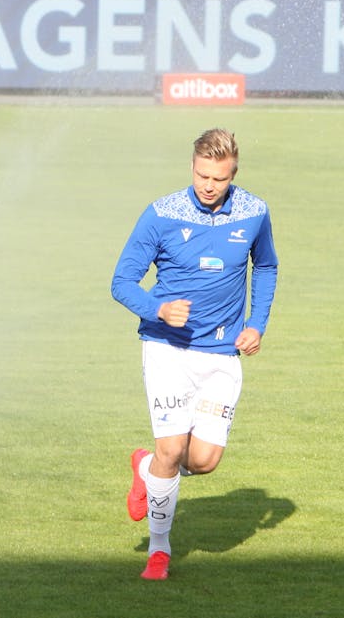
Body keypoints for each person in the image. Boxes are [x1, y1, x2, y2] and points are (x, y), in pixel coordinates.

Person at [111, 128, 279, 579]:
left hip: (221, 355)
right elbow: (121, 281)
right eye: (203, 175)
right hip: (167, 349)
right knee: (172, 447)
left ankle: (146, 467)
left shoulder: (254, 212)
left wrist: (256, 324)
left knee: (202, 460)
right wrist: (157, 308)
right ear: (192, 167)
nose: (209, 186)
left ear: (233, 174)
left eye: (219, 179)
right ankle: (159, 551)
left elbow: (265, 265)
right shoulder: (161, 214)